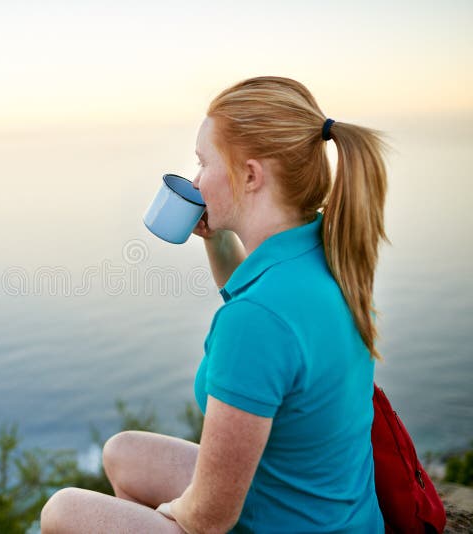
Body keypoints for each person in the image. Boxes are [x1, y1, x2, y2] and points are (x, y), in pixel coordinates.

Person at [40, 76, 389, 533]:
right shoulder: (323, 251)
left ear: (249, 175)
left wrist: (165, 516)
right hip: (328, 512)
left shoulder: (256, 322)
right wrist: (218, 236)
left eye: (204, 163)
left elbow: (208, 518)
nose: (196, 179)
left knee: (63, 510)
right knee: (122, 452)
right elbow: (264, 311)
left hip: (281, 522)